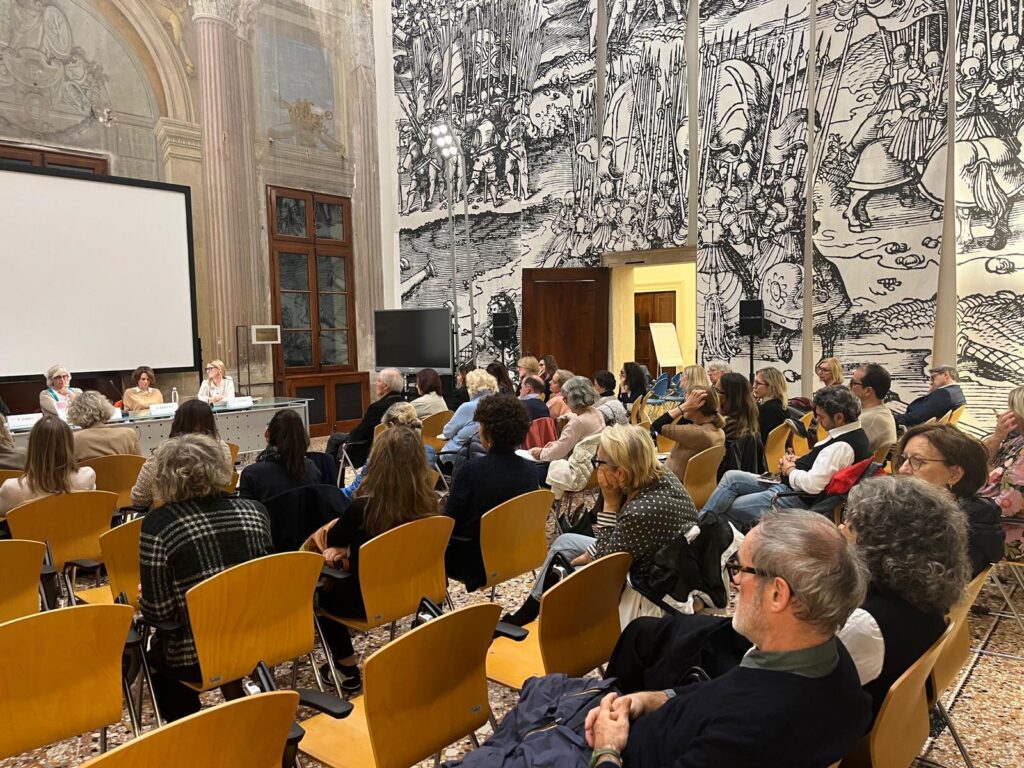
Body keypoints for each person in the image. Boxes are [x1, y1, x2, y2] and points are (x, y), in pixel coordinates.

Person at [582, 510, 871, 768]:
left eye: (741, 569)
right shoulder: (826, 656)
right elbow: (719, 694)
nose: (734, 582)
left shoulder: (753, 729)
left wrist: (607, 750)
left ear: (777, 594)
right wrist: (654, 699)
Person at [139, 433, 273, 720]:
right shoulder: (255, 511)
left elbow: (158, 612)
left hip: (196, 654)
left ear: (165, 477)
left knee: (155, 657)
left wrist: (145, 596)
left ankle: (189, 727)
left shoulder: (159, 524)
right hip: (260, 638)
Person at [506, 424, 695, 626]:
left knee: (569, 573)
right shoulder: (662, 476)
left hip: (646, 587)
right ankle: (528, 612)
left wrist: (610, 503)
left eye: (598, 462)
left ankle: (557, 631)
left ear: (620, 474)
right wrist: (593, 549)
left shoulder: (639, 512)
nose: (596, 469)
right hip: (662, 564)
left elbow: (605, 567)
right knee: (565, 542)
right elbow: (627, 541)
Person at [316, 428, 439, 692]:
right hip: (415, 590)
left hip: (365, 600)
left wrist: (341, 553)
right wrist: (350, 553)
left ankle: (347, 669)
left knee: (319, 591)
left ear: (378, 462)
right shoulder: (432, 505)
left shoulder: (362, 508)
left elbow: (332, 538)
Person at [839, 476, 969, 721]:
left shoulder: (865, 623)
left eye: (850, 523)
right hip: (901, 722)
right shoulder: (925, 590)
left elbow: (802, 693)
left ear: (875, 542)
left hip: (855, 735)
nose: (842, 529)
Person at [699, 386, 871, 530]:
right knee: (731, 476)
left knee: (728, 506)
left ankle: (701, 534)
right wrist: (799, 461)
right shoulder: (853, 434)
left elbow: (812, 486)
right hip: (791, 487)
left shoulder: (841, 446)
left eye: (821, 416)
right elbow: (825, 465)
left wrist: (790, 470)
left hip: (792, 497)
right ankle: (698, 527)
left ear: (839, 417)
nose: (817, 420)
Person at [445, 394, 538, 589]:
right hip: (515, 552)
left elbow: (449, 521)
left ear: (488, 432)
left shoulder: (471, 471)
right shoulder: (530, 471)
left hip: (472, 561)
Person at [897, 424, 1005, 576]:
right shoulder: (926, 512)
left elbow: (912, 587)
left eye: (918, 461)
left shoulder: (952, 532)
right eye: (904, 459)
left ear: (954, 474)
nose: (903, 469)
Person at [131, 400, 231, 509]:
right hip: (215, 510)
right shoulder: (222, 449)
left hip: (170, 516)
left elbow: (139, 499)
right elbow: (227, 484)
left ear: (177, 422)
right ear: (211, 421)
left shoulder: (162, 455)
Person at [0, 415, 96, 516]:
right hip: (77, 531)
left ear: (32, 446)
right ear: (69, 444)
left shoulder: (11, 488)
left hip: (31, 531)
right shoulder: (87, 476)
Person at [340, 401, 437, 501]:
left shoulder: (382, 454)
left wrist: (333, 493)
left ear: (392, 425)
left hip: (385, 510)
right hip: (419, 507)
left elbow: (355, 491)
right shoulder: (428, 452)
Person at [325, 368, 406, 468]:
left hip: (370, 450)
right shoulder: (406, 405)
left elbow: (360, 434)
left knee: (334, 439)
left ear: (386, 386)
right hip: (399, 448)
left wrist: (350, 435)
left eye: (379, 380)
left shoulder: (377, 407)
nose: (376, 383)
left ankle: (329, 478)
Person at [238, 410, 321, 502]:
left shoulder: (251, 474)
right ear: (303, 436)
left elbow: (246, 513)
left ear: (267, 434)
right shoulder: (311, 468)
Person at [651, 387, 726, 483]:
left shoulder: (698, 433)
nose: (684, 404)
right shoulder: (718, 431)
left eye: (687, 402)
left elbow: (656, 426)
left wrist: (683, 408)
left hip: (672, 484)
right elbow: (678, 425)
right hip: (694, 484)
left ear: (696, 407)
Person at [528, 376, 605, 466]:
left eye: (565, 398)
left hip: (578, 469)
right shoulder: (596, 412)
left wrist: (540, 452)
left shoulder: (578, 422)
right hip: (593, 464)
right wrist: (554, 444)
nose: (565, 402)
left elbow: (558, 453)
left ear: (574, 398)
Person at [440, 369, 497, 461]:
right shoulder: (497, 405)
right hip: (486, 456)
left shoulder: (467, 407)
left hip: (457, 456)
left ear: (470, 386)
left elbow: (447, 432)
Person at [67, 391, 142, 461]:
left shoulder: (73, 439)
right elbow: (140, 467)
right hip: (126, 475)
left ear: (74, 413)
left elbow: (67, 471)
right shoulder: (128, 434)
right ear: (106, 407)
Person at [894, 365, 966, 427]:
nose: (931, 382)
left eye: (933, 377)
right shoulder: (957, 392)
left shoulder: (944, 394)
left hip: (918, 429)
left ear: (945, 375)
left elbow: (917, 417)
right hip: (937, 430)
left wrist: (893, 418)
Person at [850, 363, 897, 453]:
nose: (850, 386)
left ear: (868, 391)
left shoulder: (867, 420)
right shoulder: (882, 412)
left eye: (854, 383)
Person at [752, 366, 788, 438]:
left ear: (771, 386)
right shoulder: (781, 405)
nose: (754, 386)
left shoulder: (766, 410)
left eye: (758, 383)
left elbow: (754, 439)